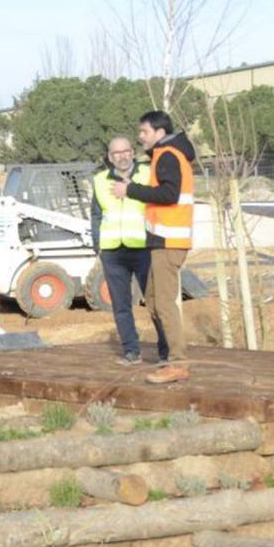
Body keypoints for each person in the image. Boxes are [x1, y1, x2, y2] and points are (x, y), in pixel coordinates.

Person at [113, 109, 196, 384]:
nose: (141, 137)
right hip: (161, 241)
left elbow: (169, 194)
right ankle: (172, 358)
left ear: (159, 133)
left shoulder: (168, 155)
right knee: (153, 301)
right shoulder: (165, 154)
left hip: (169, 242)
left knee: (163, 303)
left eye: (144, 132)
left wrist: (131, 190)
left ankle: (178, 363)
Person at [91, 135, 157, 366]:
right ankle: (131, 351)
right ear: (110, 157)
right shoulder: (99, 180)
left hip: (142, 248)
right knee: (121, 304)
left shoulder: (147, 174)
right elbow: (96, 214)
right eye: (116, 153)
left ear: (133, 152)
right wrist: (97, 244)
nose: (121, 156)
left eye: (125, 151)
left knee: (155, 301)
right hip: (112, 252)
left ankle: (166, 350)